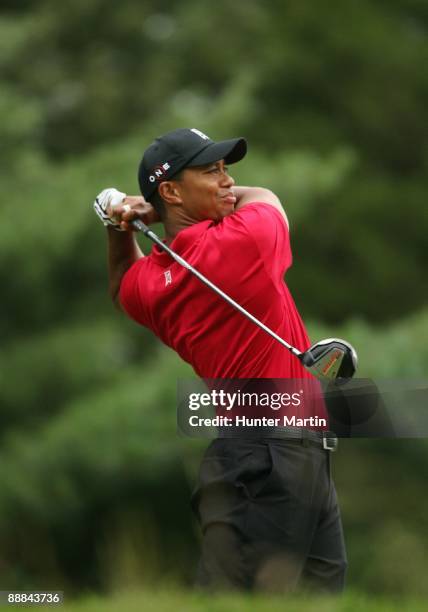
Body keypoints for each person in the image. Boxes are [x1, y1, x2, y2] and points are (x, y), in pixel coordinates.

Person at [93, 127, 347, 593]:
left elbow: (120, 285)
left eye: (228, 170)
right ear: (170, 190)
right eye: (212, 171)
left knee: (310, 601)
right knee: (236, 600)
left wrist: (120, 226)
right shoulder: (242, 241)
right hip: (271, 455)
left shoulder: (150, 286)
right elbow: (266, 196)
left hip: (276, 453)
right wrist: (147, 209)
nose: (229, 182)